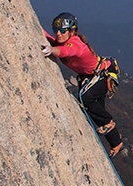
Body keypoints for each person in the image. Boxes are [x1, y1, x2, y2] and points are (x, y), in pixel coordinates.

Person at [42, 12, 123, 157]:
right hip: (93, 75)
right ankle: (116, 143)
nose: (58, 34)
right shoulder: (63, 41)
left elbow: (64, 51)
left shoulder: (75, 43)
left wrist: (51, 51)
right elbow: (53, 41)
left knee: (86, 99)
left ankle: (109, 124)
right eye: (56, 31)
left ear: (71, 31)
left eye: (63, 30)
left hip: (102, 74)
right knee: (97, 111)